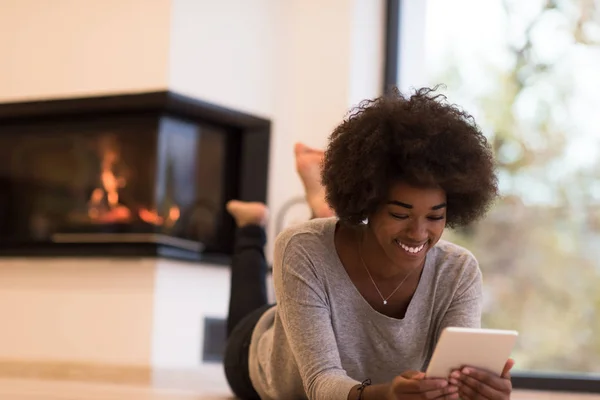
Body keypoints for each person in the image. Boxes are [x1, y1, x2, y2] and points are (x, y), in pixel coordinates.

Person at [223, 87, 514, 400]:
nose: (418, 233)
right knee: (247, 316)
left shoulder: (458, 271)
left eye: (434, 217)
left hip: (319, 296)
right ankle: (250, 227)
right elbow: (320, 383)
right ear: (368, 202)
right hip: (259, 359)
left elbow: (449, 382)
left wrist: (476, 391)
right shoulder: (301, 247)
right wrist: (385, 395)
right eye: (400, 214)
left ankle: (320, 208)